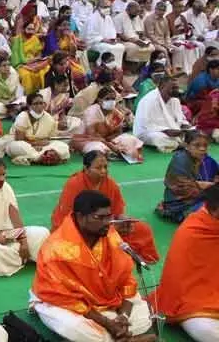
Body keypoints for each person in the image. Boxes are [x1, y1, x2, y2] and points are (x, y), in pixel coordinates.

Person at [31, 190, 156, 342]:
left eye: (109, 217)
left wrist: (123, 316)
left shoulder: (110, 236)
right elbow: (65, 298)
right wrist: (108, 323)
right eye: (100, 217)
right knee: (73, 328)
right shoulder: (57, 249)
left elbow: (127, 281)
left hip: (108, 300)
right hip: (65, 303)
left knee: (145, 314)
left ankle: (117, 335)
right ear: (80, 217)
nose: (107, 223)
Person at [52, 151, 160, 264]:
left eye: (105, 167)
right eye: (98, 168)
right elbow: (70, 218)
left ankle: (140, 257)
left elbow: (118, 211)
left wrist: (123, 220)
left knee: (141, 228)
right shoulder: (74, 184)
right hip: (78, 227)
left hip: (105, 224)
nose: (103, 171)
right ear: (86, 168)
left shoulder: (110, 183)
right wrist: (104, 226)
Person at [152, 185, 219, 342]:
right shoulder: (192, 230)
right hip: (194, 302)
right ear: (213, 209)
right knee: (205, 331)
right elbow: (177, 281)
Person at [157, 133, 218, 223]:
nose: (202, 149)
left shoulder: (206, 159)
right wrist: (209, 189)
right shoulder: (180, 160)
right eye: (197, 145)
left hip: (202, 198)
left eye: (205, 145)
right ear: (187, 146)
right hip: (182, 204)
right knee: (211, 212)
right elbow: (183, 190)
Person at [2, 92, 72, 165]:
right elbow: (19, 139)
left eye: (41, 103)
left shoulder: (49, 118)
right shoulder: (23, 117)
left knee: (63, 146)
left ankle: (37, 158)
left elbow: (50, 139)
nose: (39, 106)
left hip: (42, 147)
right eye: (36, 104)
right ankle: (44, 157)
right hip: (25, 145)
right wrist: (35, 144)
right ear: (29, 105)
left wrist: (43, 146)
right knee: (18, 146)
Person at [133, 75, 189, 152]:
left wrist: (186, 126)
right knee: (157, 138)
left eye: (177, 87)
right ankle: (178, 145)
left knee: (195, 131)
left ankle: (179, 143)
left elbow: (180, 119)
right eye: (173, 88)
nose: (177, 90)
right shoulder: (150, 100)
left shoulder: (175, 100)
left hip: (174, 131)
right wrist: (166, 131)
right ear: (162, 87)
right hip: (148, 132)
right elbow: (146, 124)